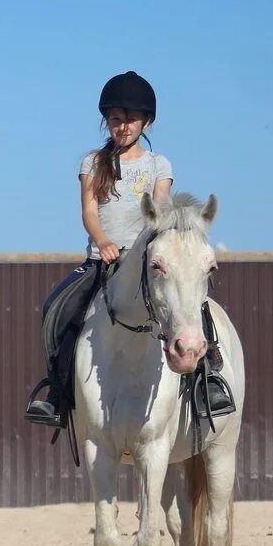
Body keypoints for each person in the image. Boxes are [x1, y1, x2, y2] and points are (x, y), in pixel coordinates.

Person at [26, 71, 232, 426]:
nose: (122, 127)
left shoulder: (158, 165)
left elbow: (161, 211)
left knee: (194, 305)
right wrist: (103, 242)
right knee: (57, 308)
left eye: (131, 120)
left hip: (146, 263)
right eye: (116, 120)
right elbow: (89, 211)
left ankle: (208, 380)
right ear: (107, 121)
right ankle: (57, 394)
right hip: (102, 261)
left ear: (146, 122)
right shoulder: (92, 162)